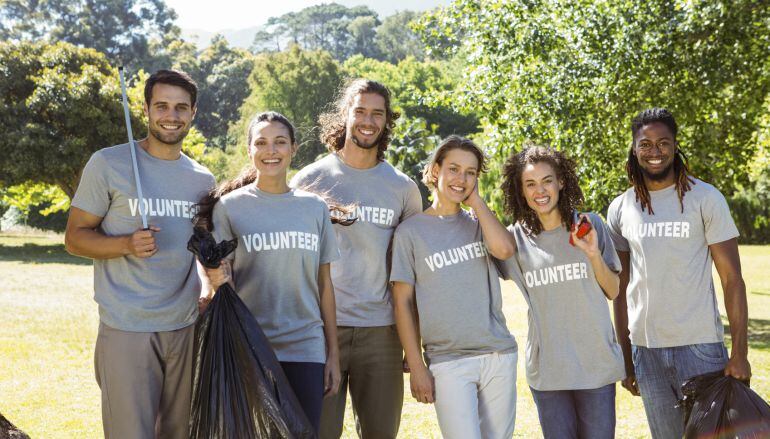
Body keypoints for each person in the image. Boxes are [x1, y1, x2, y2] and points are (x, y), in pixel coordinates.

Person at [64, 69, 216, 438]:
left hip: (184, 326)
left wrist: (208, 286)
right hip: (127, 325)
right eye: (161, 106)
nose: (171, 115)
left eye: (181, 107)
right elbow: (74, 238)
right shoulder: (108, 163)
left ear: (193, 112)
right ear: (145, 109)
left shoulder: (202, 179)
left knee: (179, 433)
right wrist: (126, 244)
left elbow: (201, 248)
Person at [290, 78, 423, 439]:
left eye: (377, 113)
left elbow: (412, 272)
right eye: (360, 111)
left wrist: (414, 341)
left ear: (386, 120)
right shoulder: (309, 180)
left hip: (382, 332)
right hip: (319, 330)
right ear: (345, 114)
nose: (368, 121)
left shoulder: (403, 188)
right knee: (317, 432)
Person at [608, 108, 751, 438]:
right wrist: (627, 358)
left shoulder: (706, 198)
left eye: (663, 142)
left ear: (675, 145)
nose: (654, 151)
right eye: (645, 144)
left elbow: (732, 280)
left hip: (700, 349)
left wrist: (740, 353)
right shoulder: (621, 208)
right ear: (634, 149)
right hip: (647, 352)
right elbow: (620, 288)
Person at [196, 111, 342, 433]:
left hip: (306, 345)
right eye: (261, 143)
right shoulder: (230, 207)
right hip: (250, 344)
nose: (271, 151)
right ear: (249, 150)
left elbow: (325, 285)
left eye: (280, 142)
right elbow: (221, 279)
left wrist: (333, 353)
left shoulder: (314, 208)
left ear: (293, 148)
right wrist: (216, 280)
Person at [390, 136, 518, 439]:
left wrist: (477, 204)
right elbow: (402, 303)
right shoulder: (410, 232)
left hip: (498, 354)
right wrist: (417, 367)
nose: (461, 179)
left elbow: (505, 250)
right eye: (454, 169)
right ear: (436, 171)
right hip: (448, 361)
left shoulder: (480, 222)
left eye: (470, 172)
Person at [496, 145, 624, 439]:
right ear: (521, 191)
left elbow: (613, 290)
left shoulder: (589, 225)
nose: (540, 191)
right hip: (549, 371)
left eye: (547, 181)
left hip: (595, 365)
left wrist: (592, 254)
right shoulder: (515, 239)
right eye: (530, 184)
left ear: (561, 182)